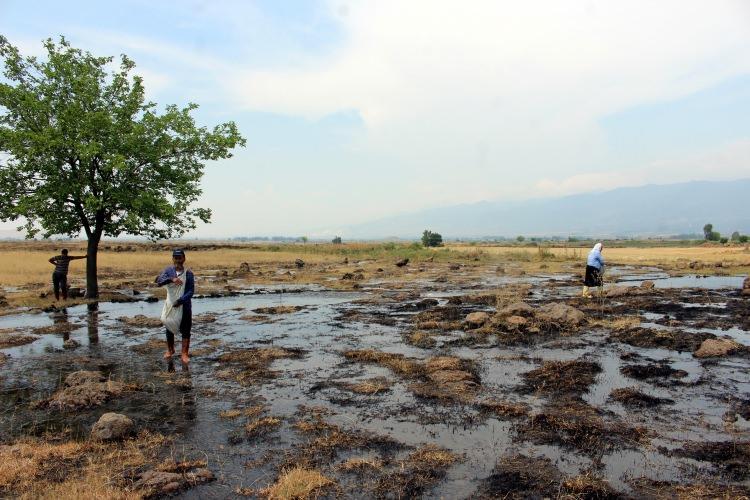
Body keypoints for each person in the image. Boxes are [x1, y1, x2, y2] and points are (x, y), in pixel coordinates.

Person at [155, 249, 194, 363]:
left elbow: (190, 291)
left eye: (180, 257)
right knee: (169, 325)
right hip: (170, 304)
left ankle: (184, 354)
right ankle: (170, 350)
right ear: (172, 259)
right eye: (175, 258)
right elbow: (159, 282)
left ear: (184, 259)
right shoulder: (168, 271)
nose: (178, 260)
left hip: (184, 305)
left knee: (186, 329)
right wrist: (171, 279)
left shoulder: (188, 274)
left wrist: (180, 301)